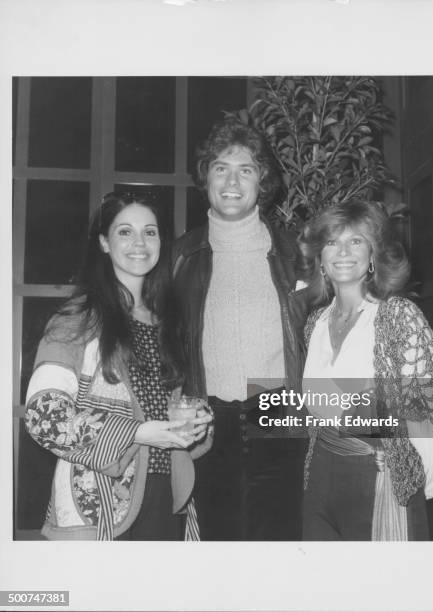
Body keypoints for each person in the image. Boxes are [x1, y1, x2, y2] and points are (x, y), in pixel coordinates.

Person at [24, 191, 213, 541]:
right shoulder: (76, 319)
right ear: (104, 242)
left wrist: (197, 422)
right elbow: (43, 416)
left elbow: (176, 405)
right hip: (98, 504)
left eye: (150, 232)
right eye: (125, 231)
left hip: (167, 499)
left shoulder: (169, 323)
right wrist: (138, 432)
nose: (139, 242)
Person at [173, 119, 309, 540]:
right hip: (208, 419)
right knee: (220, 544)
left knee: (280, 543)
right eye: (220, 167)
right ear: (207, 178)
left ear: (262, 181)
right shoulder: (180, 256)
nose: (232, 180)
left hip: (279, 410)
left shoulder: (295, 251)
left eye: (246, 169)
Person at [298, 199, 433, 540]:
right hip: (319, 478)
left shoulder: (398, 316)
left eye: (356, 240)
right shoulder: (315, 322)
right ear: (320, 259)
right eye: (332, 242)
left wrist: (416, 489)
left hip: (379, 476)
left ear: (373, 253)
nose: (343, 251)